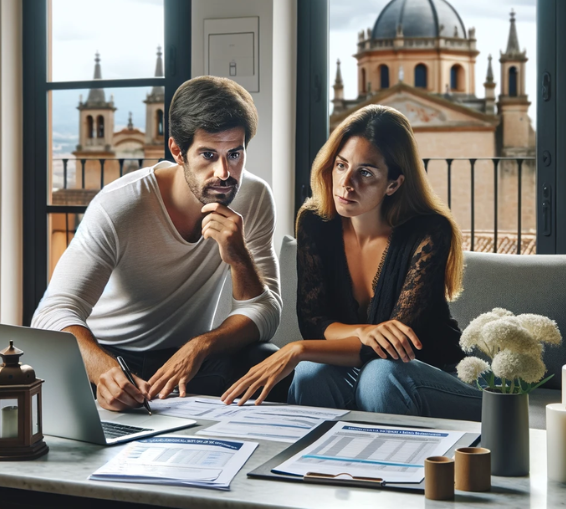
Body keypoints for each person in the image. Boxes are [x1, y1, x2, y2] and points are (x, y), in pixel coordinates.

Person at [32, 76, 282, 412]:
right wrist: (105, 371)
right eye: (208, 154)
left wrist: (238, 258)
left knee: (267, 361)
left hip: (185, 356)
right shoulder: (120, 205)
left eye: (234, 154)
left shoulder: (254, 197)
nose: (224, 172)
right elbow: (52, 313)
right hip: (110, 353)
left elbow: (267, 311)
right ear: (178, 151)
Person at [222, 105, 482, 421]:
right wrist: (361, 332)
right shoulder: (315, 222)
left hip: (436, 376)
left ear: (394, 184)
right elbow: (314, 321)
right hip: (368, 371)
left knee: (379, 375)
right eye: (341, 165)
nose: (347, 183)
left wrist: (297, 349)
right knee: (310, 375)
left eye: (366, 172)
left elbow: (393, 346)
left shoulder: (429, 231)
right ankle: (317, 468)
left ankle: (399, 470)